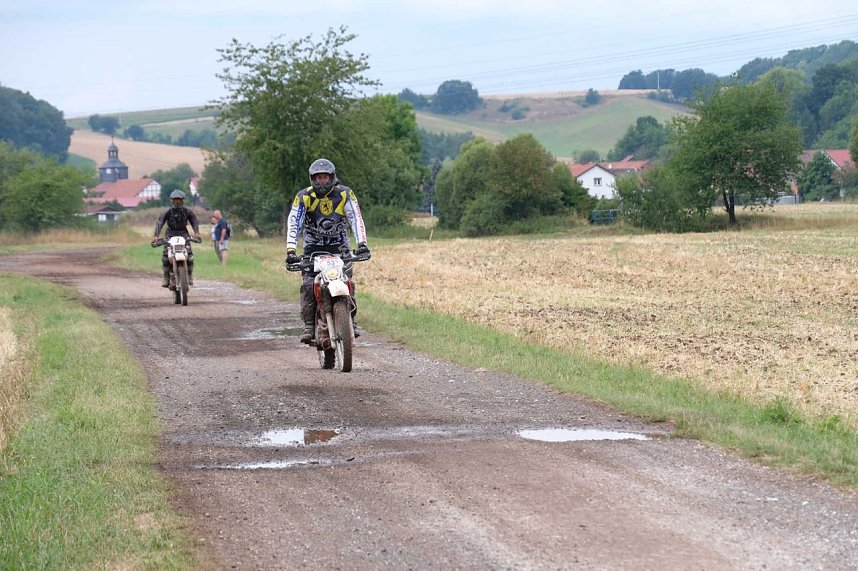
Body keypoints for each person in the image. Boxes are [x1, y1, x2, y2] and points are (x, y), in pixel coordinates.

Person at [285, 158, 370, 344]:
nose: (322, 181)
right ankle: (309, 324)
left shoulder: (345, 194)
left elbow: (355, 218)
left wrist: (362, 244)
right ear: (312, 179)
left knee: (347, 282)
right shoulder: (304, 196)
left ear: (332, 177)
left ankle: (350, 320)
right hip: (312, 248)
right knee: (309, 285)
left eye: (325, 177)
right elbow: (294, 222)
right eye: (318, 178)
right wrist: (291, 250)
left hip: (339, 246)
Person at [152, 189, 201, 287]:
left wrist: (197, 233)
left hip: (183, 233)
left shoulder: (188, 212)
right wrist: (156, 236)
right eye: (175, 200)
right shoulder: (167, 212)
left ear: (183, 200)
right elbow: (160, 223)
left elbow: (194, 221)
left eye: (179, 200)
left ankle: (189, 276)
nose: (177, 202)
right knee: (166, 254)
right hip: (170, 234)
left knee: (189, 255)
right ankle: (166, 278)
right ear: (171, 200)